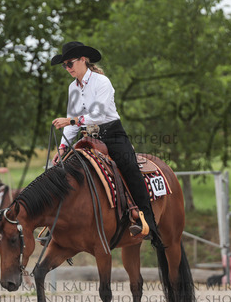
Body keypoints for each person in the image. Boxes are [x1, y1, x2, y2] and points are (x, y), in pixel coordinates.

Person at [50, 41, 162, 246]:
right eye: (64, 65)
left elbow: (98, 115)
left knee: (129, 167)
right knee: (60, 169)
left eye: (70, 63)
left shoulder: (102, 82)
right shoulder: (72, 87)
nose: (67, 68)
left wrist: (71, 121)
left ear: (83, 60)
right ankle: (56, 225)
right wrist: (63, 147)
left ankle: (148, 223)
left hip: (113, 135)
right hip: (88, 138)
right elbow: (72, 118)